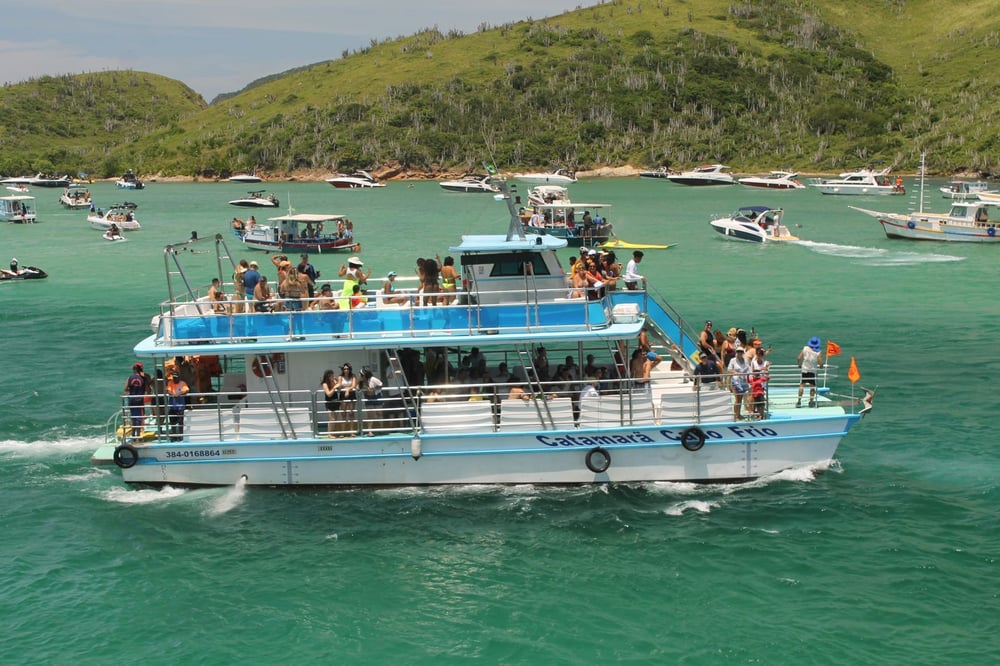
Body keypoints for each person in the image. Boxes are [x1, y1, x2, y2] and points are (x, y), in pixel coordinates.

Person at [124, 363, 150, 438]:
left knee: (134, 417)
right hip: (139, 399)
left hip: (132, 399)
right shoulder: (143, 378)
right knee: (139, 418)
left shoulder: (130, 377)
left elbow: (125, 388)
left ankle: (133, 434)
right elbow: (147, 389)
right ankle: (138, 435)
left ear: (134, 369)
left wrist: (131, 389)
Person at [797, 336, 824, 408]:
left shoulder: (805, 348)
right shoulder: (818, 352)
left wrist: (799, 365)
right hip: (812, 371)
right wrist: (821, 366)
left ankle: (799, 401)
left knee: (802, 385)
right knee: (812, 387)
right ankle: (811, 402)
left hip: (804, 370)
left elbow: (799, 358)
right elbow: (820, 362)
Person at [333, 363, 358, 436]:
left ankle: (352, 431)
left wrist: (347, 390)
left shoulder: (353, 376)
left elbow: (353, 385)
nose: (346, 370)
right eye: (344, 369)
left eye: (347, 369)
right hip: (343, 395)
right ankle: (342, 432)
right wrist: (337, 384)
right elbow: (340, 385)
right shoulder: (340, 377)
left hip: (351, 394)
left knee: (351, 413)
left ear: (350, 369)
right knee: (343, 414)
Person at [728, 348, 751, 420]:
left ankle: (738, 414)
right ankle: (735, 415)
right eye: (738, 351)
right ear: (736, 352)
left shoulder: (745, 360)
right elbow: (729, 370)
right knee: (737, 399)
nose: (739, 353)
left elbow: (748, 370)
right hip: (736, 382)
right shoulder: (733, 360)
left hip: (744, 382)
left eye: (741, 352)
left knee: (741, 399)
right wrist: (735, 372)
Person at [165, 371, 189, 441]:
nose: (175, 379)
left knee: (180, 422)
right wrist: (173, 394)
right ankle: (174, 436)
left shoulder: (182, 383)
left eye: (176, 378)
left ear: (179, 377)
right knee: (173, 422)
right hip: (172, 406)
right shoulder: (170, 383)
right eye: (174, 378)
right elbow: (168, 390)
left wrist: (178, 394)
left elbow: (186, 390)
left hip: (180, 407)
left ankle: (181, 436)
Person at [360, 367, 383, 436]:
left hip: (377, 396)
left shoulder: (373, 379)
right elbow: (358, 387)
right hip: (368, 397)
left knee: (379, 413)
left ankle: (381, 429)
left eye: (362, 374)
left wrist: (374, 389)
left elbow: (381, 384)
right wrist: (364, 387)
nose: (361, 375)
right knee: (370, 414)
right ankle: (370, 431)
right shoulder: (362, 381)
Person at [321, 369, 340, 436]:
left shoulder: (334, 382)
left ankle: (333, 433)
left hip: (336, 402)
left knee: (335, 418)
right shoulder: (325, 384)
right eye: (330, 376)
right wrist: (334, 387)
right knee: (332, 419)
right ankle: (330, 434)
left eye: (333, 375)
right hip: (329, 402)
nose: (332, 377)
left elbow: (340, 388)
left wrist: (337, 382)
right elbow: (329, 394)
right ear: (327, 377)